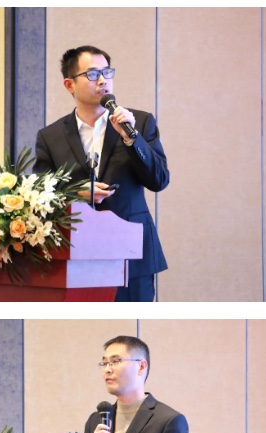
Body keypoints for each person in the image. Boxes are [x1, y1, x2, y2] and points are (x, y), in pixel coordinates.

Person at [33, 45, 169, 302]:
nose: (103, 80)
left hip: (132, 254)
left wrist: (132, 140)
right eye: (93, 74)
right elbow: (40, 194)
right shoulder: (50, 137)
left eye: (107, 72)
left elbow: (159, 180)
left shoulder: (139, 123)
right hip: (75, 255)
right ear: (69, 84)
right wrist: (74, 193)